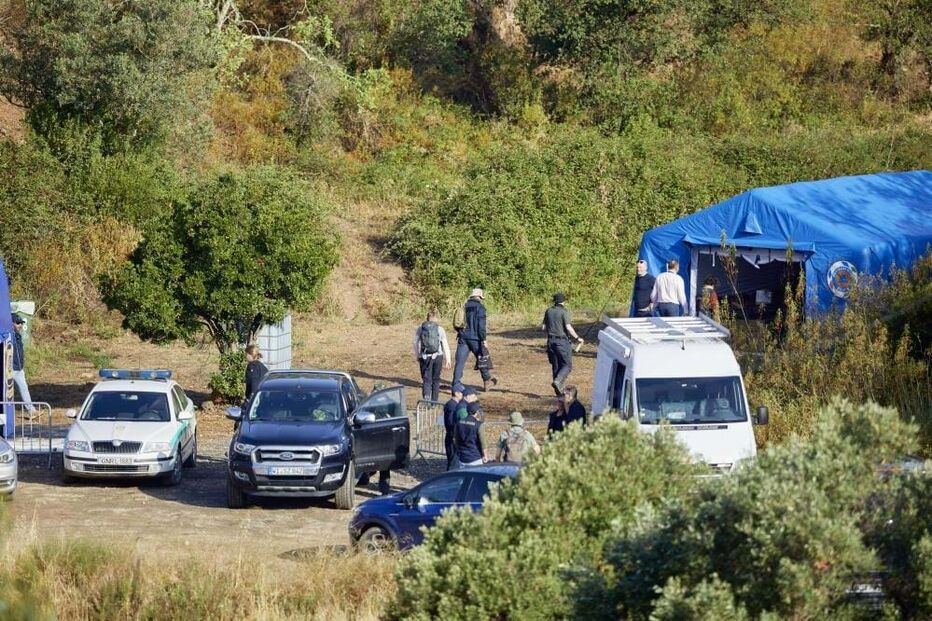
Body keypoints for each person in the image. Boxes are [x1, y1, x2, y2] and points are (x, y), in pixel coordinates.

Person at [452, 288, 498, 391]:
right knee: (482, 358)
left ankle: (455, 384)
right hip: (475, 339)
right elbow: (481, 326)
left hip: (463, 337)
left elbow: (457, 322)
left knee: (459, 362)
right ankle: (487, 381)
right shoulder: (480, 308)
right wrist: (484, 339)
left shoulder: (464, 306)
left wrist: (461, 332)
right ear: (479, 297)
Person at [541, 292, 584, 396]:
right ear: (563, 301)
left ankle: (558, 392)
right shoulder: (564, 312)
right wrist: (577, 338)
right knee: (567, 365)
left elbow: (543, 328)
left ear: (554, 301)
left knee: (556, 366)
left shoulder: (548, 311)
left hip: (550, 342)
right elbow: (568, 327)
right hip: (562, 342)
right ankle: (558, 381)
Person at [412, 309, 451, 402]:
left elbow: (415, 342)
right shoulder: (440, 329)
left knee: (426, 379)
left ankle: (426, 399)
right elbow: (445, 344)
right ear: (435, 318)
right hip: (438, 356)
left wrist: (418, 355)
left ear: (427, 318)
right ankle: (434, 401)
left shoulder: (421, 328)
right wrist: (448, 359)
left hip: (425, 357)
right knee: (436, 379)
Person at [10, 314, 36, 417]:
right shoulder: (9, 336)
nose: (20, 325)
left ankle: (31, 411)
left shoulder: (18, 336)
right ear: (11, 324)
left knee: (24, 388)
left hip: (19, 369)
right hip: (9, 369)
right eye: (18, 323)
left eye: (21, 323)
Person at [454, 397, 486, 468]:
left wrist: (458, 451)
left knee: (464, 478)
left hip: (462, 458)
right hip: (475, 458)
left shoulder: (459, 422)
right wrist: (485, 455)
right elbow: (483, 442)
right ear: (476, 412)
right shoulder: (478, 425)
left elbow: (455, 439)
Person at [442, 383, 465, 470]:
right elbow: (451, 423)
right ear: (456, 393)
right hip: (452, 438)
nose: (463, 395)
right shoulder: (452, 406)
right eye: (462, 393)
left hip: (453, 437)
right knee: (453, 463)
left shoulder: (453, 405)